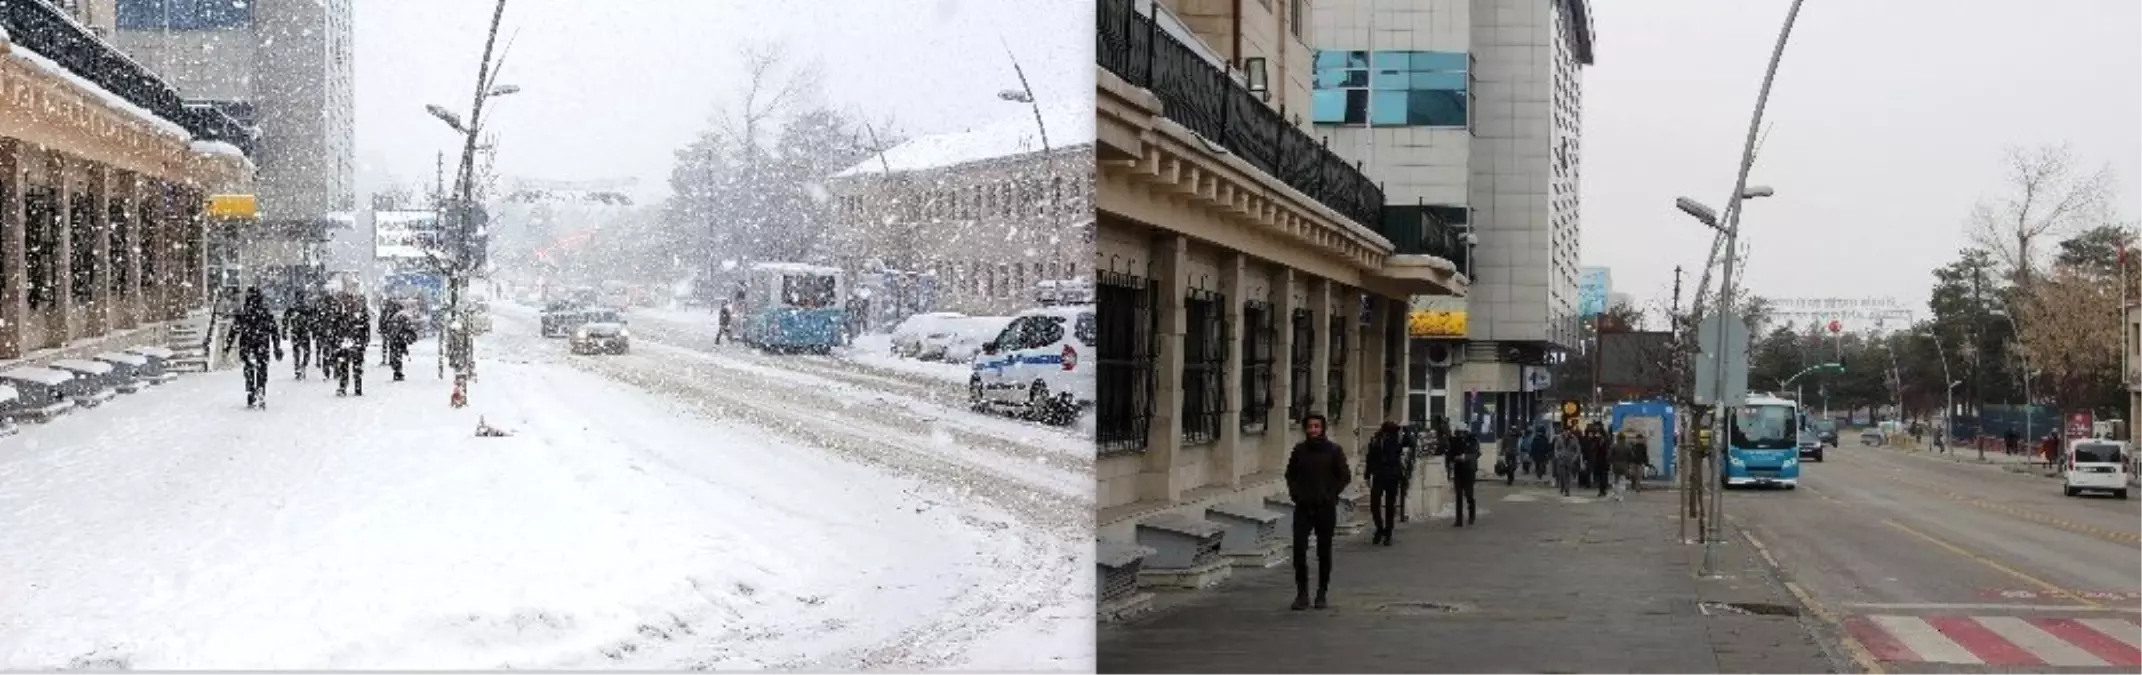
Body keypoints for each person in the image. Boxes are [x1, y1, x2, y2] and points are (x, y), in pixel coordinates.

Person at [1284, 412, 1350, 611]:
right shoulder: (1299, 450)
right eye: (1310, 426)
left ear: (1322, 429)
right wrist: (1296, 494)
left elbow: (1344, 476)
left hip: (1325, 508)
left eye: (1317, 426)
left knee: (1323, 551)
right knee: (1299, 550)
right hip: (1303, 507)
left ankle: (1321, 593)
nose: (1313, 430)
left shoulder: (1333, 451)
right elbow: (1290, 475)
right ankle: (1302, 593)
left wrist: (1331, 495)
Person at [221, 288, 284, 408]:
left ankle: (251, 391)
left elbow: (234, 330)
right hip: (262, 344)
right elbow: (274, 331)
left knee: (249, 367)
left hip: (247, 344)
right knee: (262, 368)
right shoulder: (265, 312)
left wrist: (228, 346)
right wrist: (277, 347)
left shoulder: (243, 312)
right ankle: (260, 388)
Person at [1363, 421, 1410, 546]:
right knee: (1375, 504)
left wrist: (1406, 430)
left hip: (1392, 476)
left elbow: (1410, 442)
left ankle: (1388, 532)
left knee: (1390, 505)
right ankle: (1379, 528)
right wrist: (1367, 474)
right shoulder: (1376, 439)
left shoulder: (1398, 440)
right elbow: (1370, 457)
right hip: (1379, 475)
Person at [332, 292, 372, 397]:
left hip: (354, 343)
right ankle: (344, 387)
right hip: (347, 343)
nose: (349, 303)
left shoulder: (360, 314)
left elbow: (366, 329)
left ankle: (355, 388)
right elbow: (336, 328)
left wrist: (365, 341)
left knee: (355, 367)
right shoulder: (342, 314)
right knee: (345, 366)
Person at [1446, 428, 1481, 527]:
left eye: (1461, 433)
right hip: (1458, 470)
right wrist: (1453, 459)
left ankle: (1471, 515)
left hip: (1469, 471)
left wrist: (1465, 457)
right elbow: (1450, 454)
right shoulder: (1454, 441)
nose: (1460, 436)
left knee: (1469, 494)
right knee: (1458, 495)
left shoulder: (1472, 440)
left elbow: (1476, 453)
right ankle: (1459, 519)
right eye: (1458, 433)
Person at [283, 292, 317, 380]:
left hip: (296, 332)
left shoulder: (293, 307)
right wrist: (314, 331)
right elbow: (313, 320)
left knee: (297, 352)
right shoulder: (306, 308)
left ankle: (298, 367)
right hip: (303, 332)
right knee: (306, 352)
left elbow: (285, 319)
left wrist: (285, 329)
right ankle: (301, 366)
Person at [1583, 424, 1613, 498]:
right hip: (1600, 461)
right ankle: (1602, 490)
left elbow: (1606, 450)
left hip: (1603, 460)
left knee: (1603, 476)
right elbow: (1593, 448)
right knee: (1601, 476)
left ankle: (1602, 490)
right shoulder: (1598, 439)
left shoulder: (1604, 440)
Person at [1553, 426, 1582, 497]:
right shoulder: (1559, 439)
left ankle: (1567, 490)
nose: (1566, 432)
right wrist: (1557, 455)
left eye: (1568, 431)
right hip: (1561, 459)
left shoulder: (1574, 439)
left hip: (1570, 460)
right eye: (1565, 431)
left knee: (1568, 476)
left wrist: (1574, 458)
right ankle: (1562, 486)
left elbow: (1578, 450)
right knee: (1561, 475)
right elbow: (1556, 448)